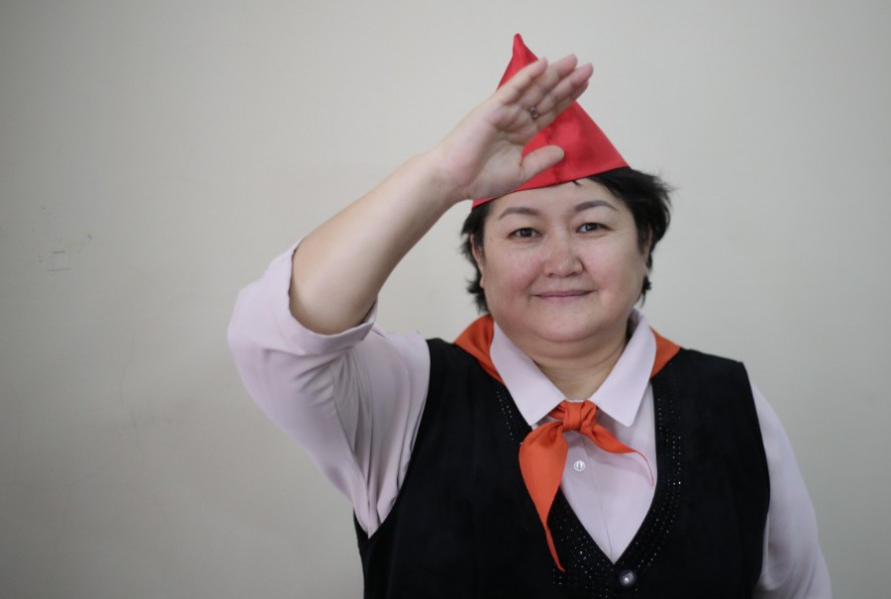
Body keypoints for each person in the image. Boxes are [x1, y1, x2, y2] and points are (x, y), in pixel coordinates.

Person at [228, 34, 831, 598]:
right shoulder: (404, 399)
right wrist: (442, 177)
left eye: (591, 226)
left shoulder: (733, 403)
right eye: (524, 232)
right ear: (479, 254)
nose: (561, 261)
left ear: (645, 241)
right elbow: (277, 336)